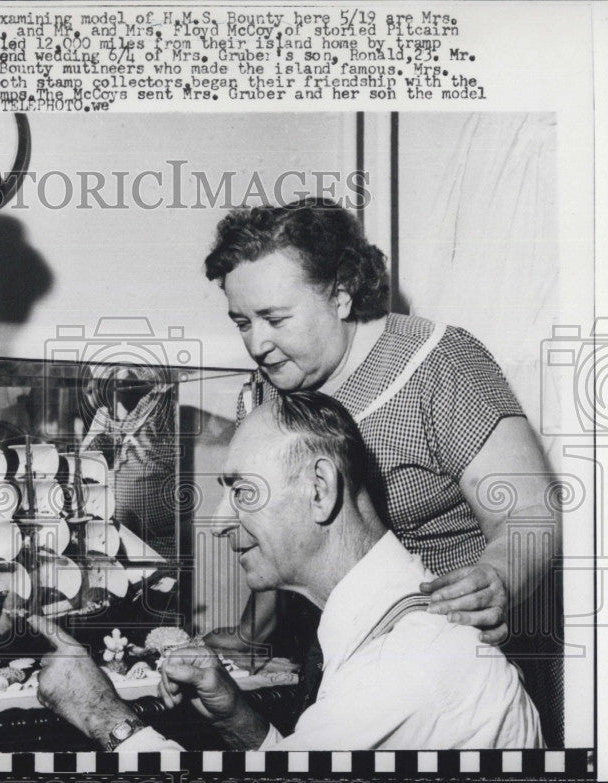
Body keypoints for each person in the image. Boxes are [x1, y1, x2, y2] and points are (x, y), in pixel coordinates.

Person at [198, 198, 561, 742]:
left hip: (458, 663)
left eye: (274, 318)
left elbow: (533, 511)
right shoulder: (267, 393)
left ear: (341, 293)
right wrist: (254, 637)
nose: (256, 344)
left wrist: (500, 578)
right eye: (241, 322)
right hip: (352, 660)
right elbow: (278, 533)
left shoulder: (439, 363)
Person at [32, 393, 544, 751]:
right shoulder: (390, 627)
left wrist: (104, 716)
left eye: (242, 491)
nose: (217, 521)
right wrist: (237, 716)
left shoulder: (404, 664)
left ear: (320, 489)